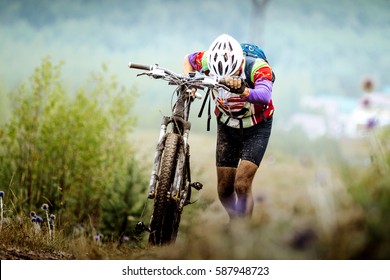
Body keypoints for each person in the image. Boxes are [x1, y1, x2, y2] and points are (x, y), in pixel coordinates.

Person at [183, 34, 274, 220]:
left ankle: (244, 232)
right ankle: (235, 221)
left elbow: (265, 95)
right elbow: (188, 60)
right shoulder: (208, 59)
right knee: (224, 190)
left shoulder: (257, 66)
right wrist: (190, 83)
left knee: (242, 183)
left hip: (257, 126)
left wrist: (243, 90)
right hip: (227, 124)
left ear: (239, 64)